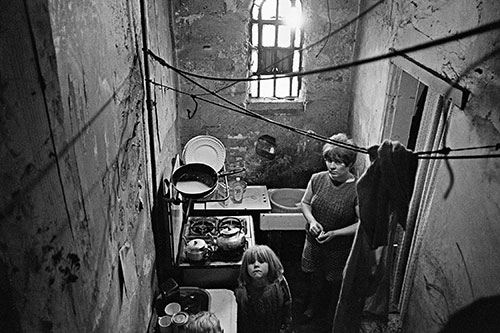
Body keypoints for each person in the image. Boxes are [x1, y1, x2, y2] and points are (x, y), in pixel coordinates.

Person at [299, 133, 359, 330]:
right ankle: (311, 306)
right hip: (313, 241)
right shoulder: (317, 179)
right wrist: (312, 220)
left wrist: (335, 233)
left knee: (333, 282)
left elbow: (362, 224)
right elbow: (305, 203)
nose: (331, 166)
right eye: (328, 160)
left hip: (337, 249)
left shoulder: (357, 190)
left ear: (349, 164)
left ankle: (330, 314)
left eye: (338, 162)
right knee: (312, 276)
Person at [234, 244, 292, 333]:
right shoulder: (243, 293)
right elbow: (243, 322)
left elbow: (287, 305)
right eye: (251, 262)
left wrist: (286, 326)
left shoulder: (280, 283)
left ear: (271, 264)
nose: (256, 265)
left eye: (261, 261)